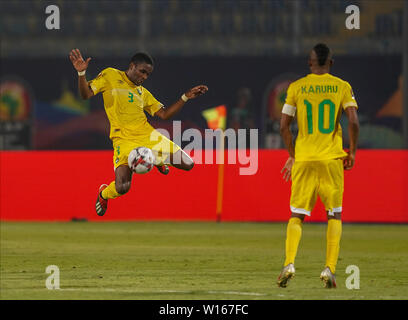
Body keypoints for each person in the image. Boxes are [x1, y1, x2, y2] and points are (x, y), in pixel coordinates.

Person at [69, 49, 208, 216]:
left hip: (147, 136)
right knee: (122, 188)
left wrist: (185, 97)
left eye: (148, 74)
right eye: (142, 72)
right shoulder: (111, 75)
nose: (144, 77)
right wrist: (81, 73)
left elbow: (164, 114)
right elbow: (86, 94)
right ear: (132, 66)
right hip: (123, 140)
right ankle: (104, 193)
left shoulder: (142, 93)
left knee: (188, 164)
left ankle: (155, 158)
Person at [277, 43, 359, 288]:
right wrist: (352, 151)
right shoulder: (342, 87)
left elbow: (284, 126)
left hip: (303, 159)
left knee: (297, 215)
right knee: (334, 214)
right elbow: (353, 120)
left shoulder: (296, 87)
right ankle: (329, 270)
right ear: (330, 63)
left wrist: (293, 154)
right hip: (331, 158)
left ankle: (289, 263)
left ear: (309, 63)